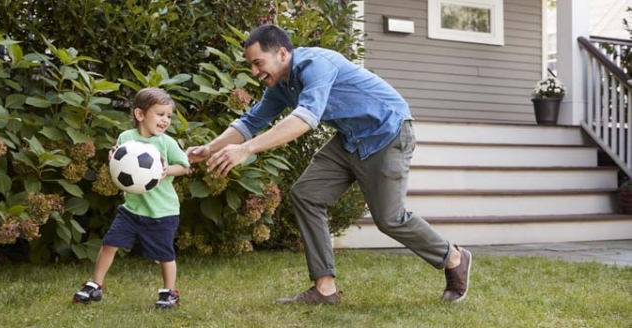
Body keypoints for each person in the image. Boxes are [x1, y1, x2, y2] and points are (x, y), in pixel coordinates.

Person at [187, 24, 472, 304]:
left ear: (282, 54)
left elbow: (305, 119)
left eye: (258, 63)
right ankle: (325, 290)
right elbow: (251, 121)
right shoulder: (280, 86)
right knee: (306, 195)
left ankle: (454, 258)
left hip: (388, 132)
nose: (255, 71)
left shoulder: (315, 64)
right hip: (350, 138)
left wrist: (246, 149)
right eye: (251, 65)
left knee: (389, 219)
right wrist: (210, 148)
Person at [73, 87, 192, 309]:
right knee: (109, 244)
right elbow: (120, 159)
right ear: (140, 115)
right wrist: (114, 157)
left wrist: (168, 170)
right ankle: (95, 285)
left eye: (168, 116)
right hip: (132, 210)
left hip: (162, 212)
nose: (165, 120)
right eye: (160, 114)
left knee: (165, 254)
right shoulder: (126, 138)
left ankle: (169, 292)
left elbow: (186, 167)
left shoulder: (167, 143)